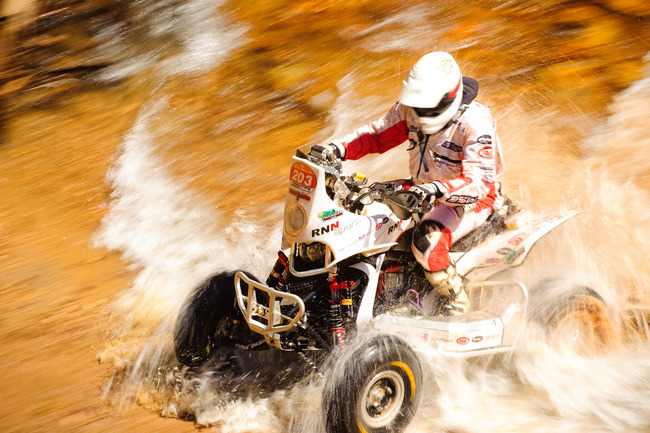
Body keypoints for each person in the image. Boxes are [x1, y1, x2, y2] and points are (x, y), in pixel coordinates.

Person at [312, 51, 505, 315]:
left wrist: (435, 189)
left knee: (426, 243)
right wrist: (335, 149)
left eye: (427, 106)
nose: (420, 112)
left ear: (447, 97)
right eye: (418, 104)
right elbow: (377, 136)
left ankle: (457, 307)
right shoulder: (410, 110)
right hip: (421, 188)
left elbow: (479, 183)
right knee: (358, 208)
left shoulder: (475, 122)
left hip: (472, 199)